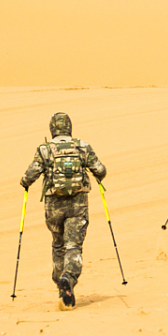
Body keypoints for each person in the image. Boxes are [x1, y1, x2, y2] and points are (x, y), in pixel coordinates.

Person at [19, 111, 107, 308]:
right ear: (69, 127)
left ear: (52, 129)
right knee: (73, 246)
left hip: (54, 207)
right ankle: (68, 278)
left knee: (58, 245)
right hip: (78, 205)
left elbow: (29, 175)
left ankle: (62, 287)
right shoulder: (82, 146)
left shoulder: (45, 149)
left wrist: (25, 182)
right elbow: (100, 170)